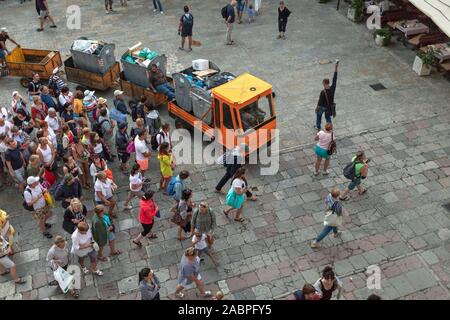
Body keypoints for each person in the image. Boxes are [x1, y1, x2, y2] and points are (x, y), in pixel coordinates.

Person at [316, 61, 339, 131]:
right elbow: (335, 78)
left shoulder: (323, 92)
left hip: (322, 106)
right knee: (328, 118)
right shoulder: (333, 88)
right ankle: (330, 128)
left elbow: (320, 102)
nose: (322, 84)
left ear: (324, 83)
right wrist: (336, 67)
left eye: (323, 83)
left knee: (318, 115)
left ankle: (318, 126)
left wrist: (317, 108)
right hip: (329, 107)